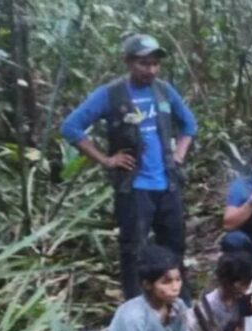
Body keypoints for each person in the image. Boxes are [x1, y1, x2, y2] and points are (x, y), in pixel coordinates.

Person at [61, 33, 197, 302]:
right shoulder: (110, 95)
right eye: (144, 64)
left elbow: (189, 125)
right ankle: (137, 305)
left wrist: (179, 155)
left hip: (167, 184)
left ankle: (181, 302)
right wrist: (106, 160)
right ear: (127, 62)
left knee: (174, 245)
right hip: (134, 187)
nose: (151, 70)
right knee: (133, 249)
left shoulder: (164, 91)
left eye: (155, 64)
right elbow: (71, 127)